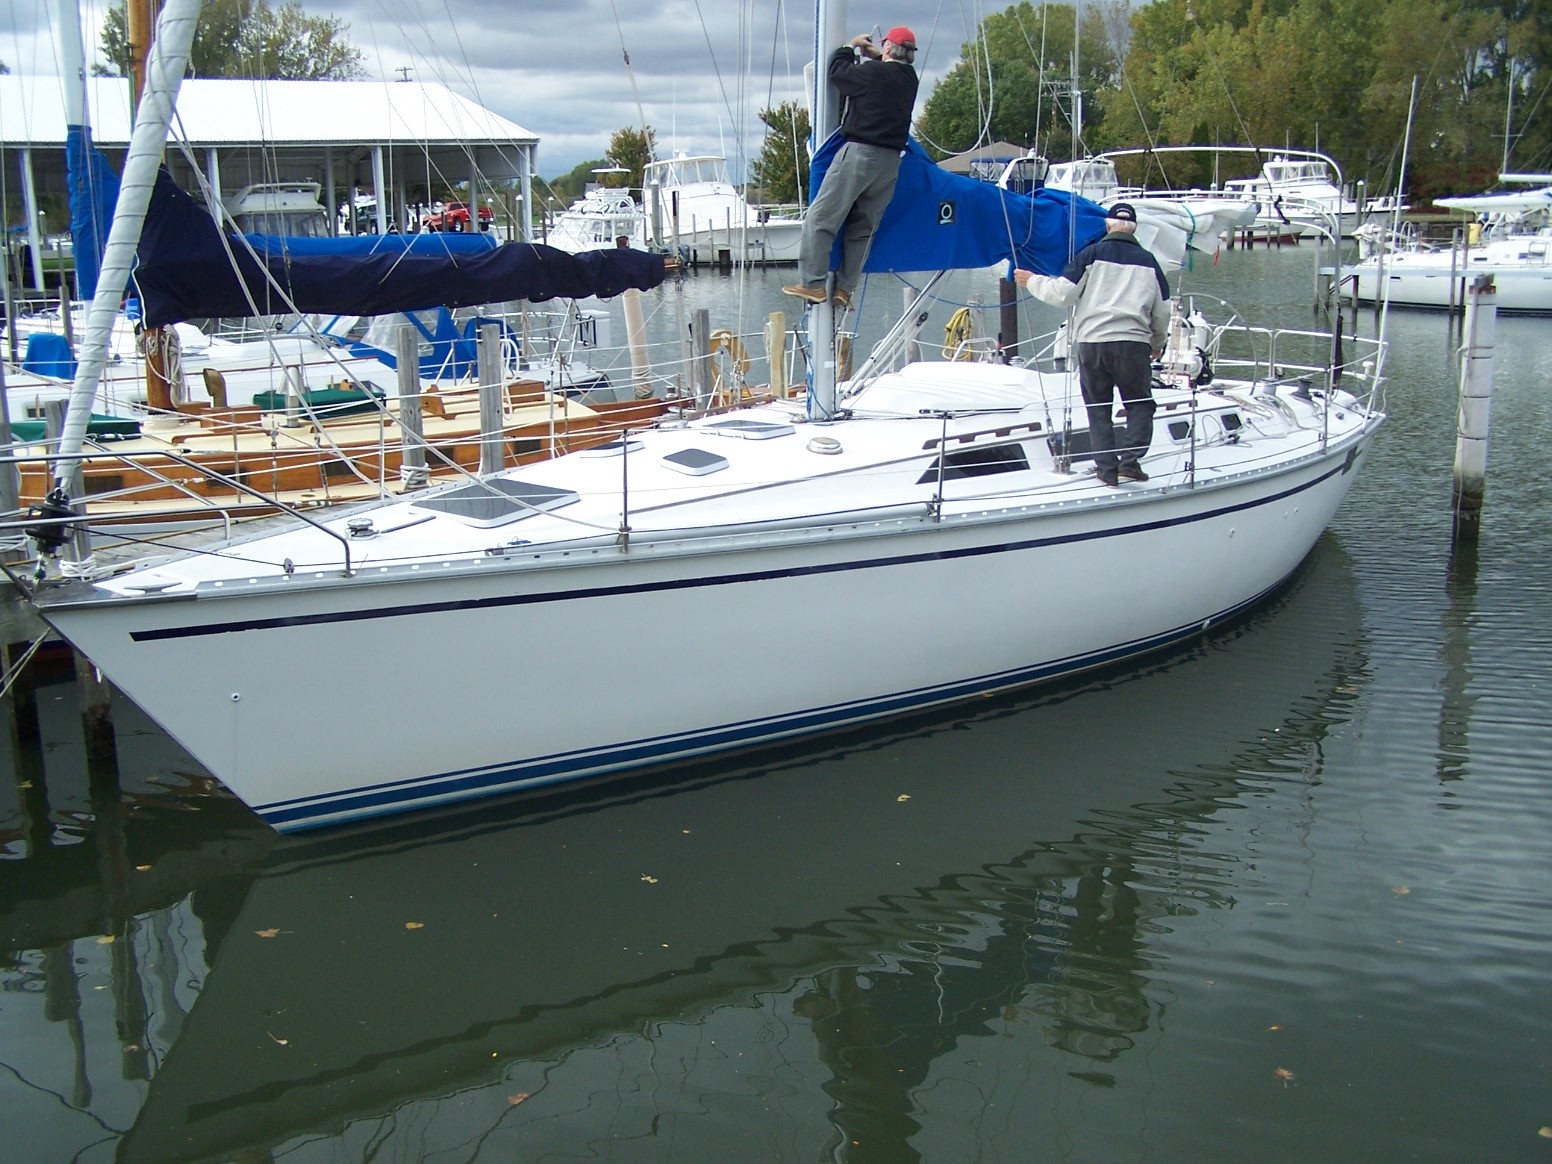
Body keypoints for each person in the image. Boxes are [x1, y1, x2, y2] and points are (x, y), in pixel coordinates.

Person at [1014, 202, 1171, 487]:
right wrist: (1156, 343)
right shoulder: (1149, 262)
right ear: (1135, 229)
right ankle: (1130, 463)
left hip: (1092, 343)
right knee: (1139, 405)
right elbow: (1162, 311)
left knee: (1098, 407)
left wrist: (1032, 281)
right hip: (1132, 344)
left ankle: (1106, 470)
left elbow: (1063, 294)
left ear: (1108, 225)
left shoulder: (1091, 255)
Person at [783, 26, 919, 311]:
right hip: (890, 163)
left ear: (888, 49)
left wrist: (849, 47)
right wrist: (874, 57)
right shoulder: (910, 79)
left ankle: (813, 284)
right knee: (862, 229)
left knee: (820, 219)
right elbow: (885, 74)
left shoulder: (874, 73)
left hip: (860, 154)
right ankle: (845, 289)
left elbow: (839, 75)